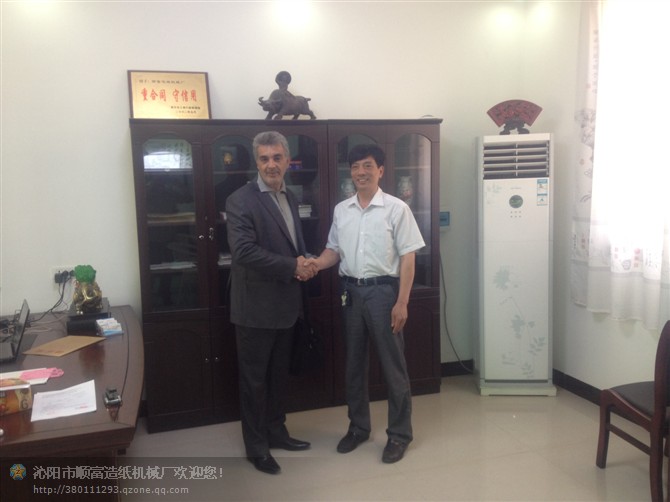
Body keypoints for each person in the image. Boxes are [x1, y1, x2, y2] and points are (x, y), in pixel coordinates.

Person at [306, 144, 425, 464]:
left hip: (384, 294)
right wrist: (315, 264)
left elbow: (409, 257)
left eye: (368, 166)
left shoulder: (397, 209)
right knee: (354, 366)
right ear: (351, 171)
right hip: (350, 293)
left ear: (380, 170)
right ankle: (358, 428)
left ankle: (399, 435)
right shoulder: (341, 210)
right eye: (356, 166)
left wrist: (402, 302)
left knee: (393, 367)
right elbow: (334, 251)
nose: (361, 172)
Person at [226, 131, 315, 475]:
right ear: (257, 162)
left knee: (278, 378)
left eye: (277, 157)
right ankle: (256, 447)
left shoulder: (289, 196)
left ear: (287, 160)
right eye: (264, 159)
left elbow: (292, 244)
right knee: (254, 382)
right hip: (254, 309)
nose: (271, 165)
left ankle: (277, 432)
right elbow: (244, 252)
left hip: (286, 305)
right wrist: (293, 266)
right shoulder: (240, 200)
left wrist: (305, 260)